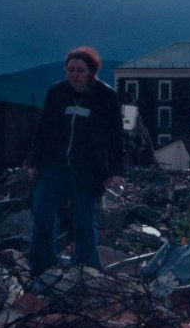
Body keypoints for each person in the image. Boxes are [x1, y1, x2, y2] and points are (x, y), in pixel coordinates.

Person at [25, 46, 125, 279]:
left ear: (91, 71)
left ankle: (87, 271)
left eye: (80, 70)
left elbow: (114, 137)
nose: (75, 75)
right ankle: (41, 268)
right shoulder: (57, 93)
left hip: (88, 170)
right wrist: (33, 161)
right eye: (70, 70)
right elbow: (43, 130)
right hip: (54, 165)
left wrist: (116, 171)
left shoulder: (106, 97)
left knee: (83, 219)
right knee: (42, 212)